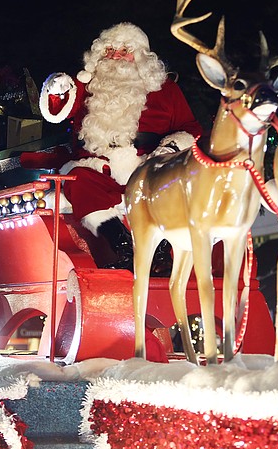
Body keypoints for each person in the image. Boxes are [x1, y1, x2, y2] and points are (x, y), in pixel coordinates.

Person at [30, 22, 203, 270]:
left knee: (168, 182)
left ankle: (161, 254)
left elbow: (192, 128)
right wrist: (57, 88)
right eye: (109, 51)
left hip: (146, 167)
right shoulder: (88, 87)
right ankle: (122, 247)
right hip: (99, 169)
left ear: (142, 57)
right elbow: (57, 110)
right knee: (76, 180)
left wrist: (170, 149)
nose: (116, 57)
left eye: (125, 50)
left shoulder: (166, 90)